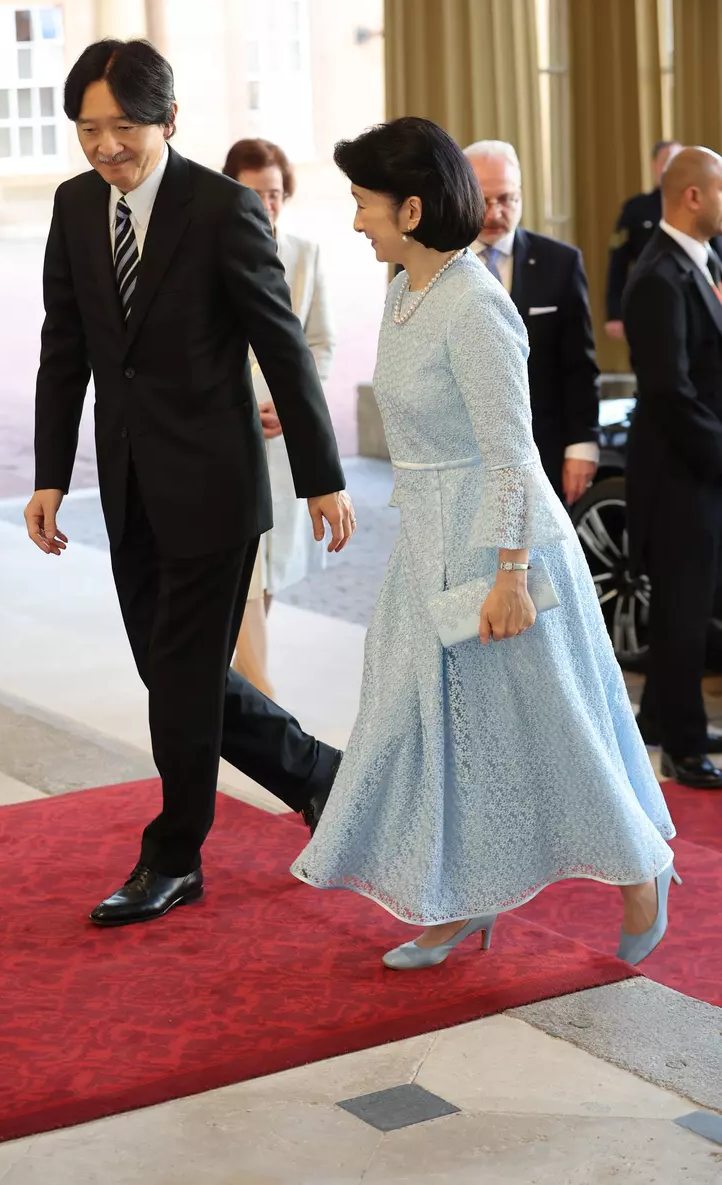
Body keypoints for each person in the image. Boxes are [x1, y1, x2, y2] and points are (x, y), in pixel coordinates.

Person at [292, 117, 676, 972]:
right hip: (427, 533)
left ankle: (644, 868)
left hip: (499, 548)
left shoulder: (474, 304)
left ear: (414, 208)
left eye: (365, 204)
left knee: (555, 729)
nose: (356, 221)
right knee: (424, 726)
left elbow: (513, 449)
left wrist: (509, 573)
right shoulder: (404, 289)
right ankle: (461, 901)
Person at [24, 39, 355, 927]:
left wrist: (322, 478)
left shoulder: (221, 208)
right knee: (172, 669)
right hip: (128, 485)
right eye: (89, 130)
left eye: (122, 128)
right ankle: (319, 773)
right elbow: (66, 350)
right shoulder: (73, 205)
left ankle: (173, 854)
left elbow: (282, 344)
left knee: (178, 673)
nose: (104, 148)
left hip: (213, 484)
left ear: (169, 120)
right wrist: (50, 474)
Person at [222, 138, 336, 699]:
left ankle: (236, 688)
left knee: (268, 570)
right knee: (244, 568)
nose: (266, 205)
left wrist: (294, 406)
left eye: (274, 194)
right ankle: (263, 697)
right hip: (226, 437)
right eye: (254, 194)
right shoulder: (210, 253)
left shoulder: (304, 253)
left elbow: (321, 344)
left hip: (282, 437)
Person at [623, 147, 722, 789]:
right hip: (678, 473)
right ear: (693, 196)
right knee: (683, 612)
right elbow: (669, 393)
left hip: (699, 466)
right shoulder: (657, 275)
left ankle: (660, 715)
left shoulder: (704, 262)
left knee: (694, 604)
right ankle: (683, 750)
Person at [462, 140, 600, 505]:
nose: (494, 214)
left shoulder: (561, 263)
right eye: (482, 200)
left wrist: (582, 443)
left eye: (506, 199)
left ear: (521, 195)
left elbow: (578, 363)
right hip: (462, 455)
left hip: (542, 447)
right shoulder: (432, 264)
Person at [605, 140, 682, 341]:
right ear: (654, 165)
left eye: (677, 161)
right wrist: (614, 314)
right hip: (646, 306)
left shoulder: (693, 206)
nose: (672, 166)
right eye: (667, 160)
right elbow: (618, 264)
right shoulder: (636, 209)